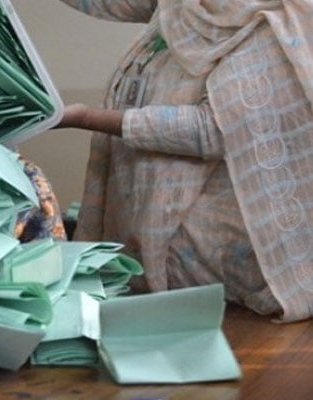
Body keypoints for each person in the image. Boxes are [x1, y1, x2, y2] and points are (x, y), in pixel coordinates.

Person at [54, 0, 313, 322]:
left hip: (223, 247)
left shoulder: (277, 20)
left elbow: (214, 130)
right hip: (155, 214)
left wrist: (87, 118)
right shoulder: (188, 6)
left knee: (219, 343)